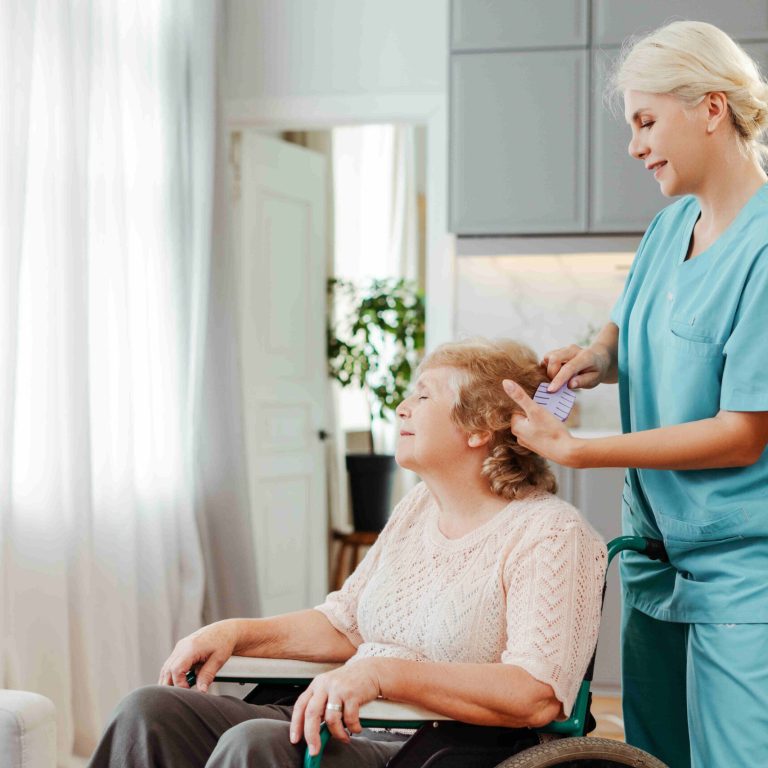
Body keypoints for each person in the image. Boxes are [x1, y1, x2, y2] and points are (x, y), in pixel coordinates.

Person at [87, 338, 606, 768]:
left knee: (255, 746)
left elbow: (536, 694)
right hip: (355, 718)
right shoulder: (417, 509)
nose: (402, 407)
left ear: (480, 427)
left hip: (440, 747)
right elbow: (346, 625)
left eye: (423, 398)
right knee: (150, 712)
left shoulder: (551, 534)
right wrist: (232, 632)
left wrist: (381, 674)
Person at [502, 20, 768, 768]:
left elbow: (743, 431)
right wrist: (594, 357)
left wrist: (579, 451)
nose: (634, 144)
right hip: (656, 559)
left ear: (711, 108)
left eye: (647, 121)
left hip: (740, 576)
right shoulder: (666, 226)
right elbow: (636, 326)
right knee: (653, 758)